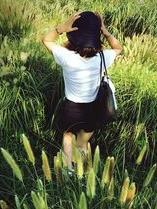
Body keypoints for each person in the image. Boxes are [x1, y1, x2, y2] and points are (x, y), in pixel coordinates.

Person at [41, 11, 122, 171]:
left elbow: (46, 39)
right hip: (92, 110)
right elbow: (118, 48)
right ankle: (82, 175)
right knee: (82, 143)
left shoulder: (66, 57)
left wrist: (61, 28)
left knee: (68, 136)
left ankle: (67, 172)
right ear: (96, 35)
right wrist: (105, 31)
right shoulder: (102, 57)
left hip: (71, 108)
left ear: (75, 34)